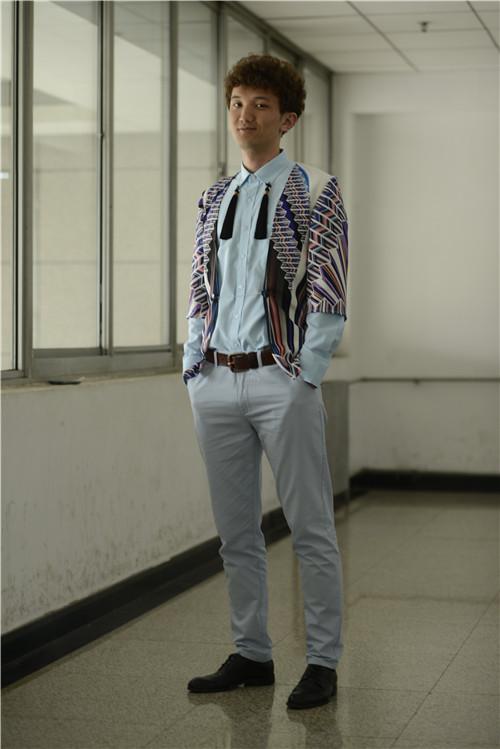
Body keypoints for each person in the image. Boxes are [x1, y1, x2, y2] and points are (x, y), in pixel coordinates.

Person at [183, 53, 348, 710]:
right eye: (236, 103)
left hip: (283, 380)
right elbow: (200, 288)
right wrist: (193, 365)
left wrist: (307, 374)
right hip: (216, 381)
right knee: (236, 533)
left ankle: (324, 661)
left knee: (310, 527)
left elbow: (330, 287)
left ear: (288, 119)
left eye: (259, 105)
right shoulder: (213, 197)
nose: (244, 115)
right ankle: (252, 652)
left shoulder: (316, 190)